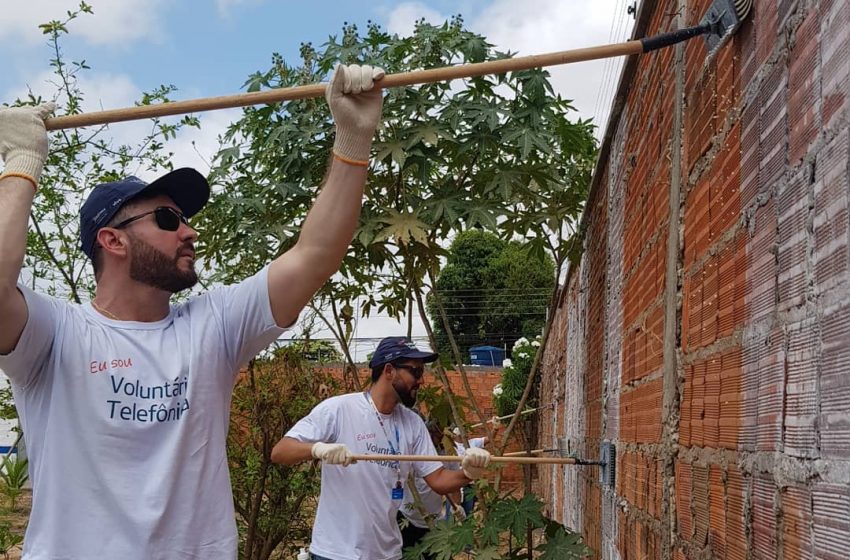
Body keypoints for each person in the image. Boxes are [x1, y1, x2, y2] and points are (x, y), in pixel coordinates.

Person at [0, 63, 384, 560]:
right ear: (111, 240)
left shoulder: (213, 326)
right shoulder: (53, 334)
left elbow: (313, 256)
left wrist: (353, 140)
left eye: (184, 219)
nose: (189, 232)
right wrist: (22, 165)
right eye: (167, 219)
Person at [271, 336, 491, 560]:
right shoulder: (339, 409)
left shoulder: (413, 424)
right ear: (389, 370)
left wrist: (468, 473)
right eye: (415, 372)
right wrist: (317, 450)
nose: (421, 381)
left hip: (388, 554)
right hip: (335, 552)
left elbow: (438, 480)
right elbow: (280, 452)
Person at [396, 418, 464, 560]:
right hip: (407, 518)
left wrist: (456, 506)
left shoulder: (448, 454)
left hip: (433, 521)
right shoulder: (412, 452)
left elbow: (454, 487)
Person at [451, 428, 489, 515]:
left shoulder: (473, 442)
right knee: (453, 513)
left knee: (468, 512)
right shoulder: (451, 446)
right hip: (455, 483)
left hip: (469, 484)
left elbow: (487, 439)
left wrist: (495, 429)